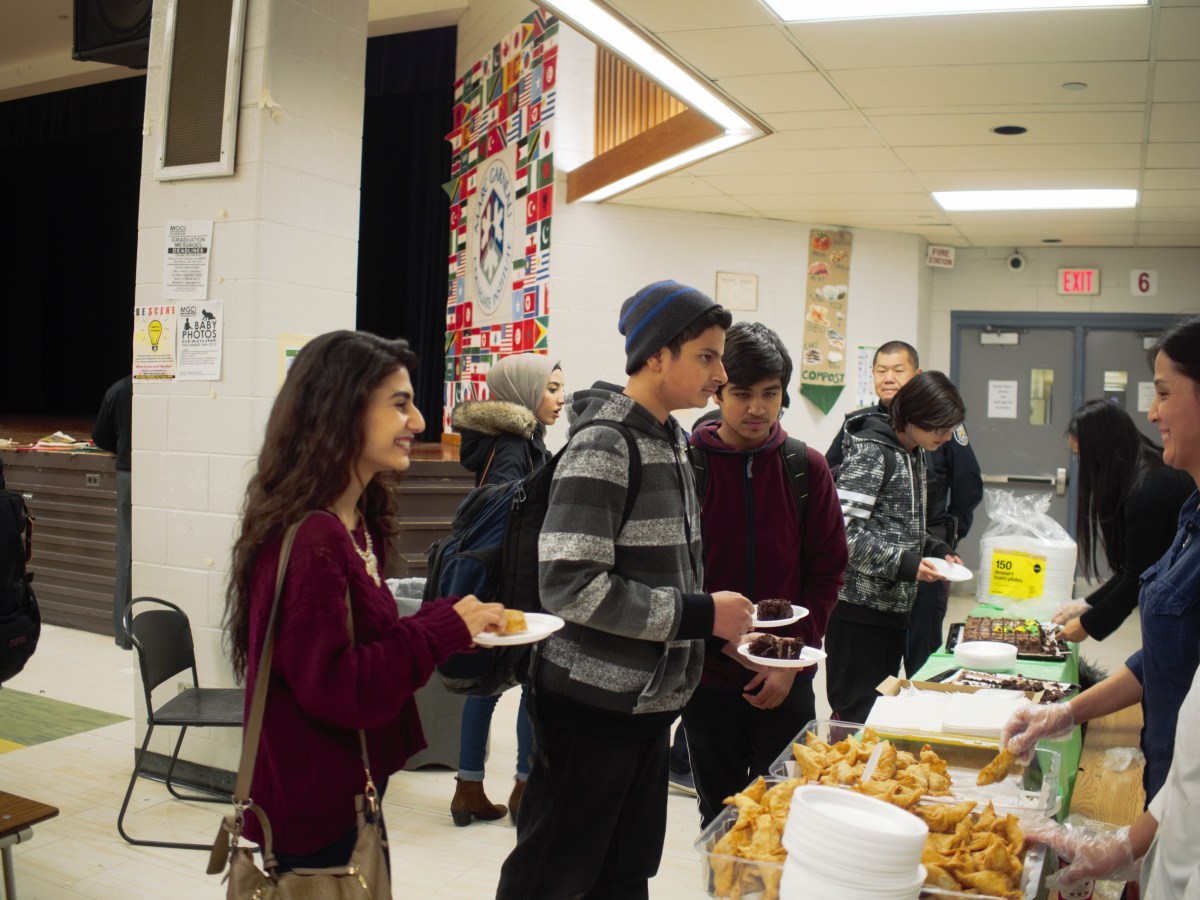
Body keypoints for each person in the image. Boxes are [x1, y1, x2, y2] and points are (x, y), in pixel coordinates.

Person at [495, 280, 754, 899]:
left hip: (646, 706)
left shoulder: (671, 439)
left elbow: (666, 572)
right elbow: (570, 586)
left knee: (623, 875)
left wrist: (719, 634)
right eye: (707, 357)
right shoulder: (605, 442)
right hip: (591, 706)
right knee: (551, 879)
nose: (720, 375)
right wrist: (700, 616)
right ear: (657, 355)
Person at [223, 330, 505, 870]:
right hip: (313, 812)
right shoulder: (314, 539)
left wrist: (456, 620)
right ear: (342, 412)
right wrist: (443, 628)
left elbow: (368, 641)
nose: (417, 422)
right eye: (399, 405)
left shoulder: (353, 521)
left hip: (348, 791)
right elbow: (339, 686)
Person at [1015, 316, 1200, 899]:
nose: (1152, 412)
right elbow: (1163, 657)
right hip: (1169, 772)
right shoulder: (1191, 515)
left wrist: (1129, 842)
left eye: (1164, 393)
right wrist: (1064, 714)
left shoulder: (1155, 489)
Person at [683, 321, 848, 827]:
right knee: (720, 816)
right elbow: (677, 577)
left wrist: (788, 661)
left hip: (788, 680)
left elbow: (827, 571)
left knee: (788, 817)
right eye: (742, 393)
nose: (757, 408)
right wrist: (727, 647)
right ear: (718, 391)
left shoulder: (806, 467)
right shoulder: (687, 467)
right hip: (709, 679)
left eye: (770, 393)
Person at [448, 353, 565, 825]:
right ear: (524, 391)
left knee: (488, 686)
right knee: (529, 682)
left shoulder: (509, 442)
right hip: (513, 580)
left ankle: (469, 787)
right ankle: (523, 787)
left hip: (498, 578)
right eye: (551, 388)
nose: (560, 398)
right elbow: (507, 519)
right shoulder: (516, 447)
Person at [826, 341, 982, 676]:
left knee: (894, 691)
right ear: (913, 416)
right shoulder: (872, 452)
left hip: (894, 606)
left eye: (951, 428)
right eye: (941, 428)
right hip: (861, 610)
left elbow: (899, 525)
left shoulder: (913, 451)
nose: (947, 437)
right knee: (859, 703)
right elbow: (842, 534)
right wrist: (907, 563)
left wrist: (935, 547)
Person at [1051, 399, 1193, 643]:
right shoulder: (1143, 475)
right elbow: (1136, 566)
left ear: (1101, 450)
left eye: (1082, 457)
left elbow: (1136, 578)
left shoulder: (1148, 489)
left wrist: (1086, 625)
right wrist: (1085, 604)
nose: (1083, 466)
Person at [93, 373, 133, 649]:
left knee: (127, 552)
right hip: (166, 473)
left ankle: (125, 633)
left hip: (129, 475)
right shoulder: (175, 384)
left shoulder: (119, 389)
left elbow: (101, 437)